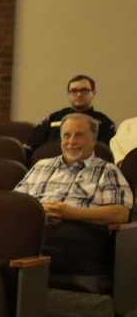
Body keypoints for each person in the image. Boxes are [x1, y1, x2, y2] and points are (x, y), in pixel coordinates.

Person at [15, 112, 133, 277]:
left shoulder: (107, 171)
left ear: (94, 138)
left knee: (25, 246)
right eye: (67, 136)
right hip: (35, 228)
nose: (71, 142)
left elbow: (121, 213)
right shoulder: (41, 165)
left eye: (79, 135)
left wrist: (71, 213)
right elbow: (16, 203)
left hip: (79, 234)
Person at [27, 75, 118, 150]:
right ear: (68, 94)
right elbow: (33, 147)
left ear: (93, 93)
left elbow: (106, 153)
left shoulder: (104, 123)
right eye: (74, 91)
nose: (79, 94)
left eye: (84, 90)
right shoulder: (53, 118)